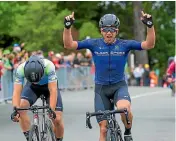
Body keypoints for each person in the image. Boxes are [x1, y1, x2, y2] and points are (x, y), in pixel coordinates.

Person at [63, 11, 155, 141]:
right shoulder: (94, 44)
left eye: (112, 29)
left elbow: (149, 44)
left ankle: (127, 131)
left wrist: (150, 26)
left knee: (124, 109)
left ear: (116, 31)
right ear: (101, 31)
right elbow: (69, 45)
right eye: (105, 29)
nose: (109, 32)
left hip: (119, 86)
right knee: (103, 129)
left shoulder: (125, 45)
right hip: (101, 89)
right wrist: (67, 28)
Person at [11, 55, 64, 141]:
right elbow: (17, 91)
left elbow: (53, 90)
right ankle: (30, 137)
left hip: (48, 87)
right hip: (32, 87)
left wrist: (52, 110)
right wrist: (15, 109)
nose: (37, 81)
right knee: (20, 109)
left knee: (57, 118)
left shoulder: (49, 66)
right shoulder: (20, 69)